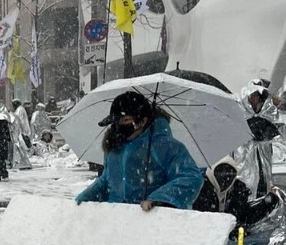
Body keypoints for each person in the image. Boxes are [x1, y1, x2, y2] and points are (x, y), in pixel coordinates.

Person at [75, 90, 204, 210]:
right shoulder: (114, 147)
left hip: (154, 223)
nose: (118, 126)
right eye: (116, 121)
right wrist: (85, 197)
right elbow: (106, 180)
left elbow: (190, 177)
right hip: (116, 222)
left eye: (125, 120)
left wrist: (159, 199)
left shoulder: (168, 147)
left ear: (142, 121)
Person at [192, 157, 279, 245]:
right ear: (212, 172)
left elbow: (246, 215)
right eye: (221, 173)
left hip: (231, 239)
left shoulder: (237, 190)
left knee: (263, 240)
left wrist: (268, 202)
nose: (225, 178)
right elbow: (201, 221)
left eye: (230, 174)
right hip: (207, 239)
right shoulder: (200, 189)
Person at [234, 79, 286, 198]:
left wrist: (268, 133)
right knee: (246, 179)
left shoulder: (268, 110)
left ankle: (262, 200)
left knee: (263, 179)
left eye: (258, 96)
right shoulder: (238, 109)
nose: (256, 99)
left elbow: (282, 132)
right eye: (253, 95)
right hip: (244, 153)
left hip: (263, 152)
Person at [10, 99, 34, 170]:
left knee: (20, 148)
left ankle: (21, 162)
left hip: (20, 132)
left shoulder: (20, 110)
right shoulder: (20, 109)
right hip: (20, 131)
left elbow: (19, 121)